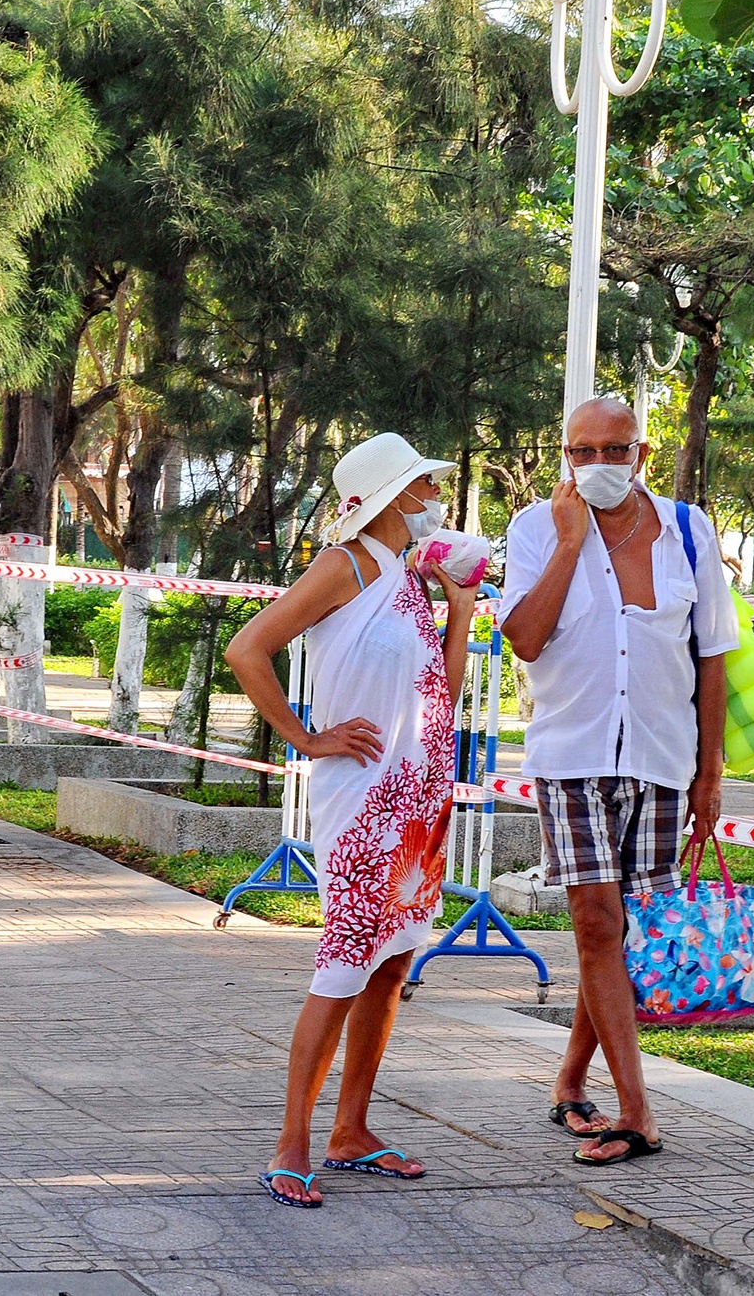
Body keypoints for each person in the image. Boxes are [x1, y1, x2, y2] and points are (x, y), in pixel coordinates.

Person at [223, 432, 479, 1208]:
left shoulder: (408, 577)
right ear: (398, 495)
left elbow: (439, 690)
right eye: (426, 487)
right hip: (365, 800)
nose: (436, 500)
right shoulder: (345, 566)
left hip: (419, 797)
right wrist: (305, 738)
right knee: (342, 968)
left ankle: (351, 1132)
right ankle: (291, 1142)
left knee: (394, 962)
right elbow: (247, 648)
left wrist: (460, 611)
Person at [501, 397, 738, 1167]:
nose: (597, 465)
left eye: (614, 450)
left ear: (641, 451)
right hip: (570, 754)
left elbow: (712, 657)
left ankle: (570, 1080)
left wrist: (711, 771)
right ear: (564, 454)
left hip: (665, 760)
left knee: (622, 936)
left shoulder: (690, 531)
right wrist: (571, 543)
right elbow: (527, 640)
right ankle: (638, 1113)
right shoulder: (537, 528)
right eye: (581, 451)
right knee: (598, 923)